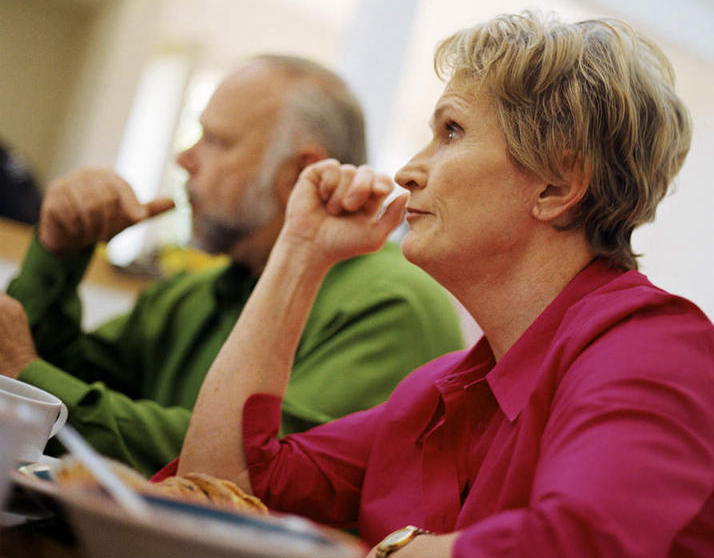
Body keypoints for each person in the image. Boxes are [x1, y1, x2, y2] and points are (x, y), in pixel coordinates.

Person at [166, 13, 714, 558]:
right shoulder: (440, 387)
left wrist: (390, 552)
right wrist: (299, 253)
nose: (408, 171)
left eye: (449, 131)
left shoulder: (654, 347)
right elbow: (216, 493)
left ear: (557, 185)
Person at [0, 55, 463, 476]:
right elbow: (63, 375)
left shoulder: (392, 302)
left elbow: (246, 471)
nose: (184, 158)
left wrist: (27, 382)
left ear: (299, 172)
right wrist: (57, 254)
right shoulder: (196, 292)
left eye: (216, 140)